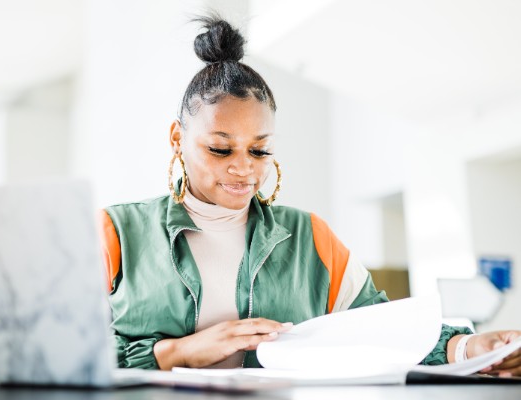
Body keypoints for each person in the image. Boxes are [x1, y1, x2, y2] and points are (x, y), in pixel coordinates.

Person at [98, 14, 521, 376]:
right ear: (178, 138)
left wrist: (469, 349)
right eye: (220, 148)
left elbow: (385, 330)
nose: (244, 167)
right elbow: (53, 352)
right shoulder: (116, 234)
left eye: (260, 149)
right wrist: (179, 351)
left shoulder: (311, 238)